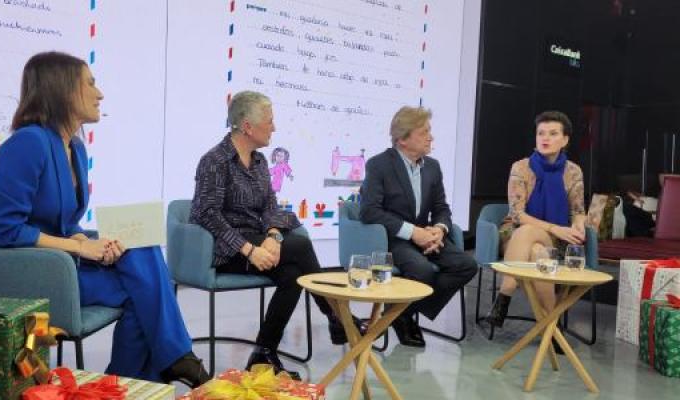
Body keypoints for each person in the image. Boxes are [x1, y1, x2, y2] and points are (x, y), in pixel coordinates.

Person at [0, 52, 210, 387]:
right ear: (62, 90)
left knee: (140, 258)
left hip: (62, 265)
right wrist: (80, 248)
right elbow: (1, 229)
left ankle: (129, 385)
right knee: (144, 288)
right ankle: (160, 368)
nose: (100, 93)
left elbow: (62, 221)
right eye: (90, 83)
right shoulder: (27, 143)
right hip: (32, 274)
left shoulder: (74, 146)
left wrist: (89, 242)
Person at [190, 91, 361, 379]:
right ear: (247, 126)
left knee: (293, 272)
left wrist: (272, 236)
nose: (274, 127)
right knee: (303, 246)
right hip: (227, 250)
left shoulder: (260, 162)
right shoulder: (215, 161)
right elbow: (206, 214)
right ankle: (335, 316)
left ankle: (263, 353)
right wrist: (249, 249)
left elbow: (270, 205)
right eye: (269, 121)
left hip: (259, 242)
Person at [360, 106, 477, 347]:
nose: (431, 137)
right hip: (394, 238)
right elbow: (369, 211)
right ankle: (403, 317)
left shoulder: (432, 166)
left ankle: (397, 315)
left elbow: (441, 207)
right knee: (422, 270)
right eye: (424, 132)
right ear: (403, 139)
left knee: (466, 265)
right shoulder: (379, 165)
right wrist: (413, 232)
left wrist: (440, 229)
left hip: (428, 235)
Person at [485, 111, 586, 352]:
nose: (545, 138)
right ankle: (552, 328)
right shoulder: (520, 168)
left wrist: (580, 223)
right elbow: (518, 214)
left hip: (557, 238)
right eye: (541, 133)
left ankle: (505, 292)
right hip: (517, 234)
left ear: (565, 140)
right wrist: (555, 228)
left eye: (553, 134)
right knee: (534, 243)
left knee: (540, 250)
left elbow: (578, 210)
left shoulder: (573, 171)